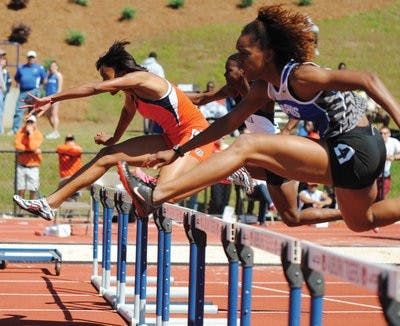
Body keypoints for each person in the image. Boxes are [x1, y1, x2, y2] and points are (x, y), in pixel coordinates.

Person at [120, 5, 400, 233]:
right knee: (362, 221)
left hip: (356, 146)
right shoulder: (262, 87)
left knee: (247, 144)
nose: (239, 63)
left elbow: (368, 79)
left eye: (245, 55)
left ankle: (156, 194)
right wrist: (179, 150)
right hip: (344, 153)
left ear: (268, 55)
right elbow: (226, 123)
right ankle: (162, 191)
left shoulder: (300, 76)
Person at [12, 41, 216, 221]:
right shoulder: (131, 92)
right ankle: (50, 204)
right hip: (170, 138)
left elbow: (94, 88)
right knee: (106, 156)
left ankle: (226, 169)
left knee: (162, 193)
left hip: (196, 135)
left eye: (105, 74)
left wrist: (52, 98)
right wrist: (114, 139)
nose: (103, 80)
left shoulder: (142, 79)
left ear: (118, 69)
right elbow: (127, 112)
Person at [8, 50, 46, 135]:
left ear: (35, 58)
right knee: (19, 110)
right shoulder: (21, 68)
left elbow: (44, 80)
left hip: (34, 92)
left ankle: (32, 129)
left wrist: (39, 90)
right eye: (29, 57)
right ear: (27, 58)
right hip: (23, 92)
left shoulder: (39, 68)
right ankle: (15, 130)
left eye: (32, 57)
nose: (31, 59)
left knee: (32, 111)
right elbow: (17, 78)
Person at [14, 115, 43, 202]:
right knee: (20, 188)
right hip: (21, 165)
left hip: (33, 166)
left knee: (33, 189)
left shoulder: (38, 134)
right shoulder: (20, 132)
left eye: (32, 122)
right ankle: (20, 210)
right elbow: (17, 146)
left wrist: (30, 134)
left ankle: (31, 208)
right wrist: (30, 150)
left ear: (35, 124)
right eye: (28, 122)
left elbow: (33, 146)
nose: (29, 124)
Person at [141, 51, 165, 135]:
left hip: (142, 91)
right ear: (155, 58)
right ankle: (151, 130)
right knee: (154, 111)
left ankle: (146, 130)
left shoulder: (142, 65)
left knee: (145, 111)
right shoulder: (158, 67)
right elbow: (162, 79)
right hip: (154, 91)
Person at [56, 134, 83, 199]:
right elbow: (59, 148)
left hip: (76, 176)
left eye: (71, 139)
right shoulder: (61, 147)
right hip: (64, 178)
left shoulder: (77, 148)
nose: (69, 141)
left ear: (74, 141)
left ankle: (75, 195)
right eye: (68, 139)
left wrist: (69, 150)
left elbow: (80, 150)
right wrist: (72, 148)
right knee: (65, 197)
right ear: (65, 140)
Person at [376, 127, 400, 200]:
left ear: (389, 134)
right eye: (381, 133)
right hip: (373, 176)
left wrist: (394, 157)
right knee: (372, 197)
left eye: (385, 133)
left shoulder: (394, 142)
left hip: (385, 175)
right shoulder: (375, 142)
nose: (383, 135)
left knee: (382, 196)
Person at [45, 61, 63, 139]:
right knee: (48, 115)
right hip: (47, 97)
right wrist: (47, 75)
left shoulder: (58, 75)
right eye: (51, 66)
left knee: (54, 114)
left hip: (55, 97)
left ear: (57, 67)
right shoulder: (49, 75)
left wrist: (56, 98)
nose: (52, 68)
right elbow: (44, 83)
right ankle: (55, 131)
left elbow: (59, 88)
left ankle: (55, 132)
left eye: (53, 66)